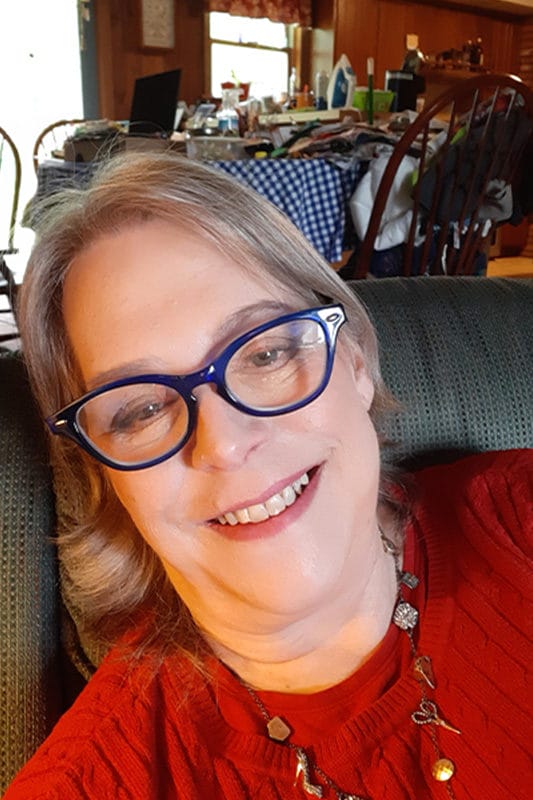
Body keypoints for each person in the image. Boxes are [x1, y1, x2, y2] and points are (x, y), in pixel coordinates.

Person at [4, 152, 531, 800]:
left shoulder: (517, 514)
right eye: (140, 409)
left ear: (355, 363)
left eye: (265, 352)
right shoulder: (91, 779)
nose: (222, 444)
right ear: (103, 472)